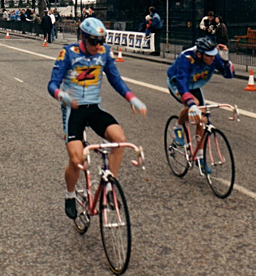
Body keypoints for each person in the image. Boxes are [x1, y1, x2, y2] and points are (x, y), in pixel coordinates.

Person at [47, 17, 147, 219]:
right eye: (93, 41)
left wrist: (132, 98)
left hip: (94, 108)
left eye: (101, 40)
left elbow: (115, 79)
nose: (98, 45)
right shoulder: (68, 53)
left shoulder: (104, 53)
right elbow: (52, 84)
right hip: (73, 111)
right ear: (83, 37)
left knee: (119, 140)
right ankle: (69, 194)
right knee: (77, 161)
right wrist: (62, 96)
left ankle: (108, 190)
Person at [167, 37, 234, 173]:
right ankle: (178, 128)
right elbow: (182, 85)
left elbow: (229, 75)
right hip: (178, 83)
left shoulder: (214, 57)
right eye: (208, 56)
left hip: (195, 85)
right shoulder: (185, 58)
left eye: (213, 56)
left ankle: (199, 157)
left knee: (202, 121)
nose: (212, 59)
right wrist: (191, 105)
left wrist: (225, 60)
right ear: (199, 54)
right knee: (194, 104)